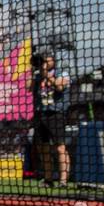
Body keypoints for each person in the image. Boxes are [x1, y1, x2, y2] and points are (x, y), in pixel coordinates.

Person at [30, 54, 70, 186]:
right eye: (43, 61)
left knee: (60, 147)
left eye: (47, 61)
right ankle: (48, 179)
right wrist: (35, 72)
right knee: (43, 148)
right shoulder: (37, 75)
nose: (45, 63)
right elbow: (28, 87)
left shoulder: (62, 73)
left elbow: (59, 86)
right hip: (41, 113)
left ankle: (63, 180)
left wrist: (46, 74)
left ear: (54, 61)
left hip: (56, 113)